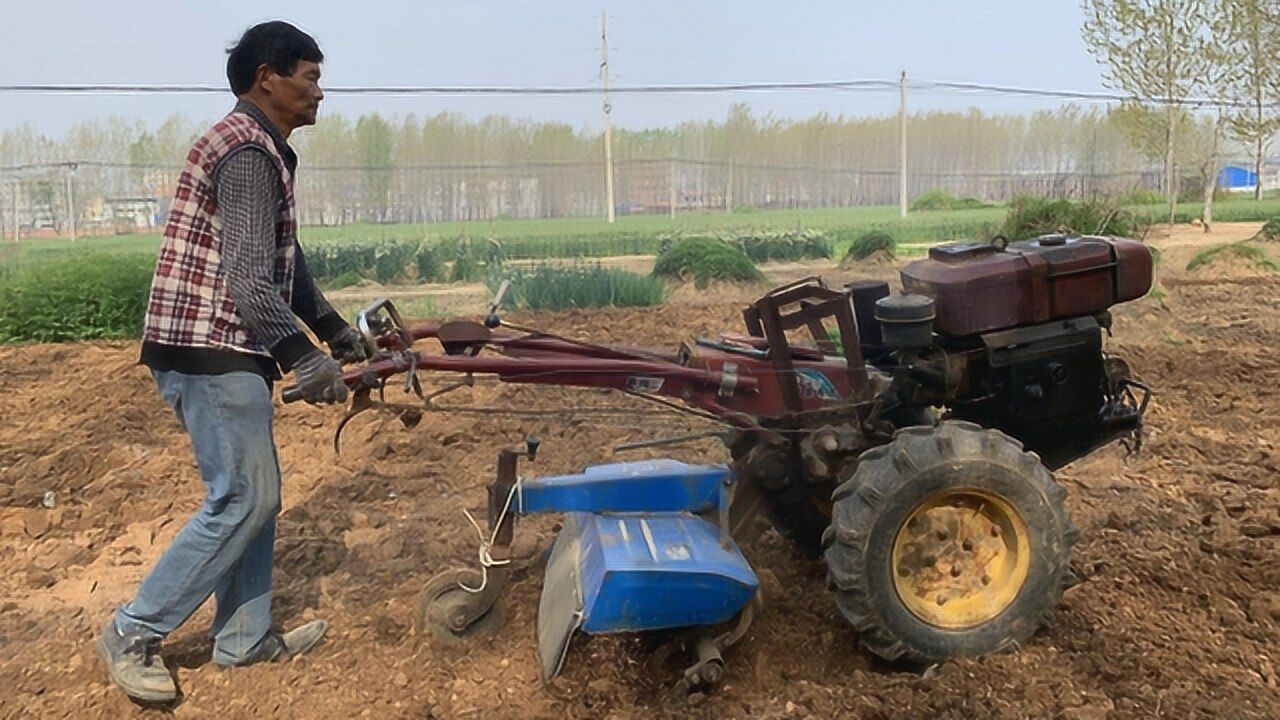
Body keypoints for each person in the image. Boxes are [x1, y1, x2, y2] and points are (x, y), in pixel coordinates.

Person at [97, 21, 366, 703]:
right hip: (207, 345)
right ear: (266, 78)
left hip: (223, 343)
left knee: (256, 495)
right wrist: (303, 358)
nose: (320, 92)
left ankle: (244, 640)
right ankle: (133, 630)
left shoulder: (261, 149)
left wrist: (332, 328)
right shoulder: (246, 151)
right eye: (309, 76)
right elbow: (249, 280)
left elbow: (283, 258)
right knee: (245, 496)